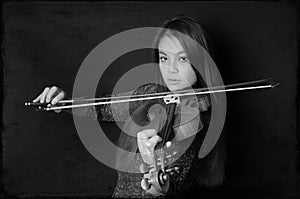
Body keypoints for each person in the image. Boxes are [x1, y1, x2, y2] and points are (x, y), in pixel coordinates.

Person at [32, 15, 226, 198]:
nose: (170, 69)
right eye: (164, 58)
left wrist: (155, 174)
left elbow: (170, 186)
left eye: (182, 59)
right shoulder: (150, 94)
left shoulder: (201, 120)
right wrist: (64, 103)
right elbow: (102, 107)